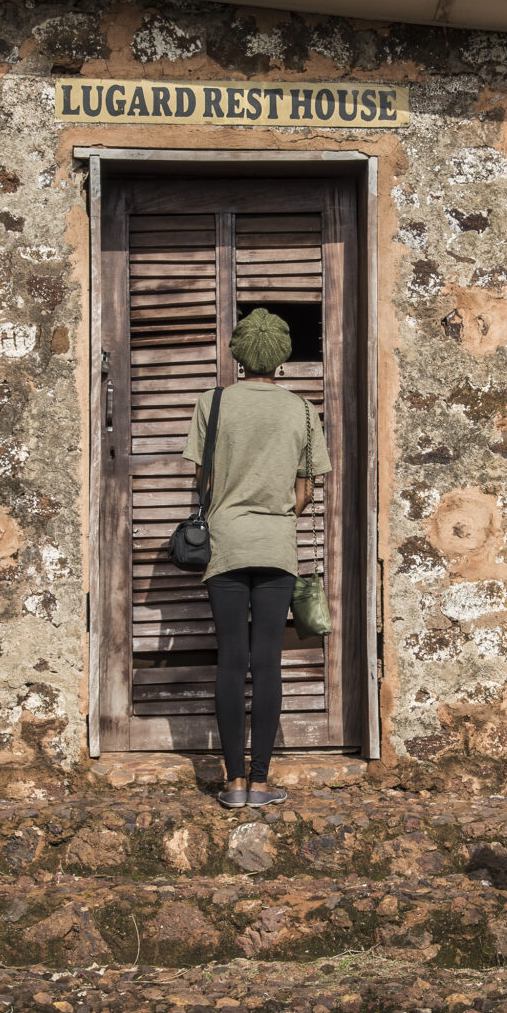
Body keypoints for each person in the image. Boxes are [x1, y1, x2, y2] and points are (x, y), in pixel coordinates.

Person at [179, 307, 329, 810]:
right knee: (267, 662)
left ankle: (232, 782)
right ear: (282, 357)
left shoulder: (212, 403)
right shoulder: (304, 411)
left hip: (225, 544)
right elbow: (305, 489)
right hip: (276, 545)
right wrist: (277, 509)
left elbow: (200, 481)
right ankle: (261, 782)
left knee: (230, 661)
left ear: (238, 355)